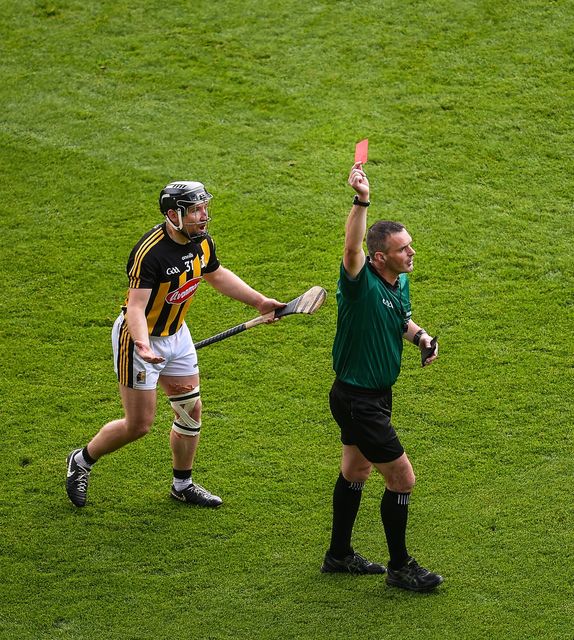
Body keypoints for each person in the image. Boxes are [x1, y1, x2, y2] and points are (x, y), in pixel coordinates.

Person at [66, 180, 284, 508]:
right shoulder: (150, 253)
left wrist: (259, 301)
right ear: (173, 214)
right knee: (139, 425)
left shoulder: (201, 242)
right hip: (138, 340)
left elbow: (216, 274)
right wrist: (142, 344)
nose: (203, 215)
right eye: (195, 210)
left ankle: (182, 485)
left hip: (177, 336)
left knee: (190, 410)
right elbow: (135, 308)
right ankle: (81, 460)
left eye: (204, 208)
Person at [320, 162, 443, 592]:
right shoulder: (359, 283)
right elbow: (351, 249)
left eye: (410, 246)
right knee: (402, 477)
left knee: (355, 470)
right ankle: (400, 566)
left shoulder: (398, 283)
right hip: (359, 399)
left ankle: (338, 555)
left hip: (369, 396)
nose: (411, 254)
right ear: (379, 257)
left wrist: (422, 337)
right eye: (403, 249)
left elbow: (400, 320)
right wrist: (361, 201)